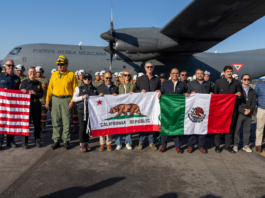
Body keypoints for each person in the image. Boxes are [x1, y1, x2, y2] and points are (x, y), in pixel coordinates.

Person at [46, 55, 78, 150]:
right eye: (58, 64)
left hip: (66, 99)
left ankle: (66, 141)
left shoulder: (71, 75)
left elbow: (75, 90)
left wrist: (72, 101)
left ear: (67, 64)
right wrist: (48, 100)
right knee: (55, 121)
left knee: (66, 121)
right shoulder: (54, 74)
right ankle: (56, 141)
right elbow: (50, 89)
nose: (59, 66)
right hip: (55, 99)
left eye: (62, 64)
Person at [159, 68, 188, 153]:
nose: (175, 74)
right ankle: (163, 145)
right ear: (170, 74)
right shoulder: (165, 84)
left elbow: (184, 94)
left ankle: (177, 146)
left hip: (177, 110)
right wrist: (159, 93)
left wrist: (185, 94)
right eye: (173, 73)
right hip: (166, 110)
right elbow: (161, 92)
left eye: (177, 73)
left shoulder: (182, 85)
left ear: (178, 75)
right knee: (165, 127)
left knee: (177, 127)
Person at [214, 66, 241, 153]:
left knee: (229, 127)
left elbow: (240, 97)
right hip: (220, 109)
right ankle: (217, 146)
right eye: (227, 71)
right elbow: (215, 96)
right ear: (224, 72)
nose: (229, 73)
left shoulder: (236, 83)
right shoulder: (218, 82)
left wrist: (238, 95)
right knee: (218, 127)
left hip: (231, 109)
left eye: (230, 71)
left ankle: (227, 145)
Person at [186, 68, 213, 154]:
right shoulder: (190, 83)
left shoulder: (208, 84)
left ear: (203, 74)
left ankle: (201, 146)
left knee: (202, 127)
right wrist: (190, 94)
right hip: (193, 108)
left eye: (201, 73)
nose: (200, 75)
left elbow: (211, 93)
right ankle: (190, 145)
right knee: (192, 126)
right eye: (198, 73)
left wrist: (211, 94)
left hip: (204, 109)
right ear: (195, 74)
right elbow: (186, 94)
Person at [136, 61, 161, 150]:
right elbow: (136, 91)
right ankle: (141, 141)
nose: (149, 68)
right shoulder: (140, 79)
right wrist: (140, 92)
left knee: (151, 122)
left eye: (151, 67)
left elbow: (159, 90)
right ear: (145, 68)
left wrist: (159, 92)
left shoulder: (157, 79)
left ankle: (151, 142)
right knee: (143, 122)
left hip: (153, 105)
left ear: (153, 68)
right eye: (148, 67)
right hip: (143, 105)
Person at [73, 73, 98, 152]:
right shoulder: (79, 88)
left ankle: (86, 143)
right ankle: (82, 144)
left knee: (88, 127)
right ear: (83, 79)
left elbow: (96, 98)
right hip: (81, 110)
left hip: (91, 110)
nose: (87, 80)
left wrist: (100, 96)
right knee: (82, 127)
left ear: (91, 79)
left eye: (89, 79)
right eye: (85, 79)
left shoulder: (94, 88)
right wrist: (82, 97)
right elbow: (74, 99)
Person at [21, 67, 44, 149]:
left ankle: (37, 141)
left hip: (36, 104)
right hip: (27, 105)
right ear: (27, 72)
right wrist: (22, 92)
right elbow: (19, 93)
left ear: (36, 73)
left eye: (34, 72)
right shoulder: (24, 83)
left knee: (37, 124)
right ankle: (24, 143)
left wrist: (35, 93)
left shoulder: (38, 83)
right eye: (30, 72)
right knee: (26, 124)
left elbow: (41, 94)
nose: (32, 73)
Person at [0, 60, 21, 150]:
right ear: (5, 66)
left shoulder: (17, 78)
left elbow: (18, 92)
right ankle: (0, 142)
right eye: (9, 65)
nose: (11, 67)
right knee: (2, 123)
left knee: (11, 123)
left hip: (12, 106)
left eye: (12, 65)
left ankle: (10, 141)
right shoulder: (0, 76)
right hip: (2, 105)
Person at [233, 74, 256, 153]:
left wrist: (250, 109)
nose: (247, 80)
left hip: (248, 113)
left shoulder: (252, 91)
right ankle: (235, 145)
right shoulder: (238, 90)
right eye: (245, 79)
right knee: (237, 130)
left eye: (248, 79)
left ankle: (245, 145)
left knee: (247, 130)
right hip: (240, 113)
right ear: (241, 80)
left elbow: (254, 102)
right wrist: (243, 111)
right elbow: (236, 102)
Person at [97, 71, 119, 151]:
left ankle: (108, 143)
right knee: (102, 125)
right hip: (102, 110)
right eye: (107, 78)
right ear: (103, 78)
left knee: (109, 125)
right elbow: (95, 99)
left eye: (110, 78)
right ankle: (102, 143)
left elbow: (119, 100)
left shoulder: (115, 87)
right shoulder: (99, 87)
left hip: (111, 111)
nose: (108, 79)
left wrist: (116, 96)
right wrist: (98, 96)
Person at [115, 70, 136, 150]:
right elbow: (114, 93)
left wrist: (134, 94)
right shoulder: (118, 85)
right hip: (120, 108)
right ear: (122, 76)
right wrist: (114, 94)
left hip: (128, 108)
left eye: (128, 75)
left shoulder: (133, 85)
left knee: (128, 125)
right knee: (119, 125)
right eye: (125, 75)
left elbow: (137, 96)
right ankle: (118, 143)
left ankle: (128, 142)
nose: (127, 76)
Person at [35, 66, 49, 133]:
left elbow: (49, 91)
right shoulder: (34, 80)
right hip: (36, 100)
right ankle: (39, 126)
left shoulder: (46, 80)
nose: (37, 73)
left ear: (42, 72)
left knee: (44, 114)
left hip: (43, 100)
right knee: (37, 114)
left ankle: (43, 126)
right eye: (36, 72)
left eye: (38, 72)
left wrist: (48, 100)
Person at [254, 78, 265, 153]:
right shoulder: (259, 85)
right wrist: (254, 108)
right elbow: (254, 97)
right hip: (261, 108)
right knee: (260, 128)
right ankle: (258, 145)